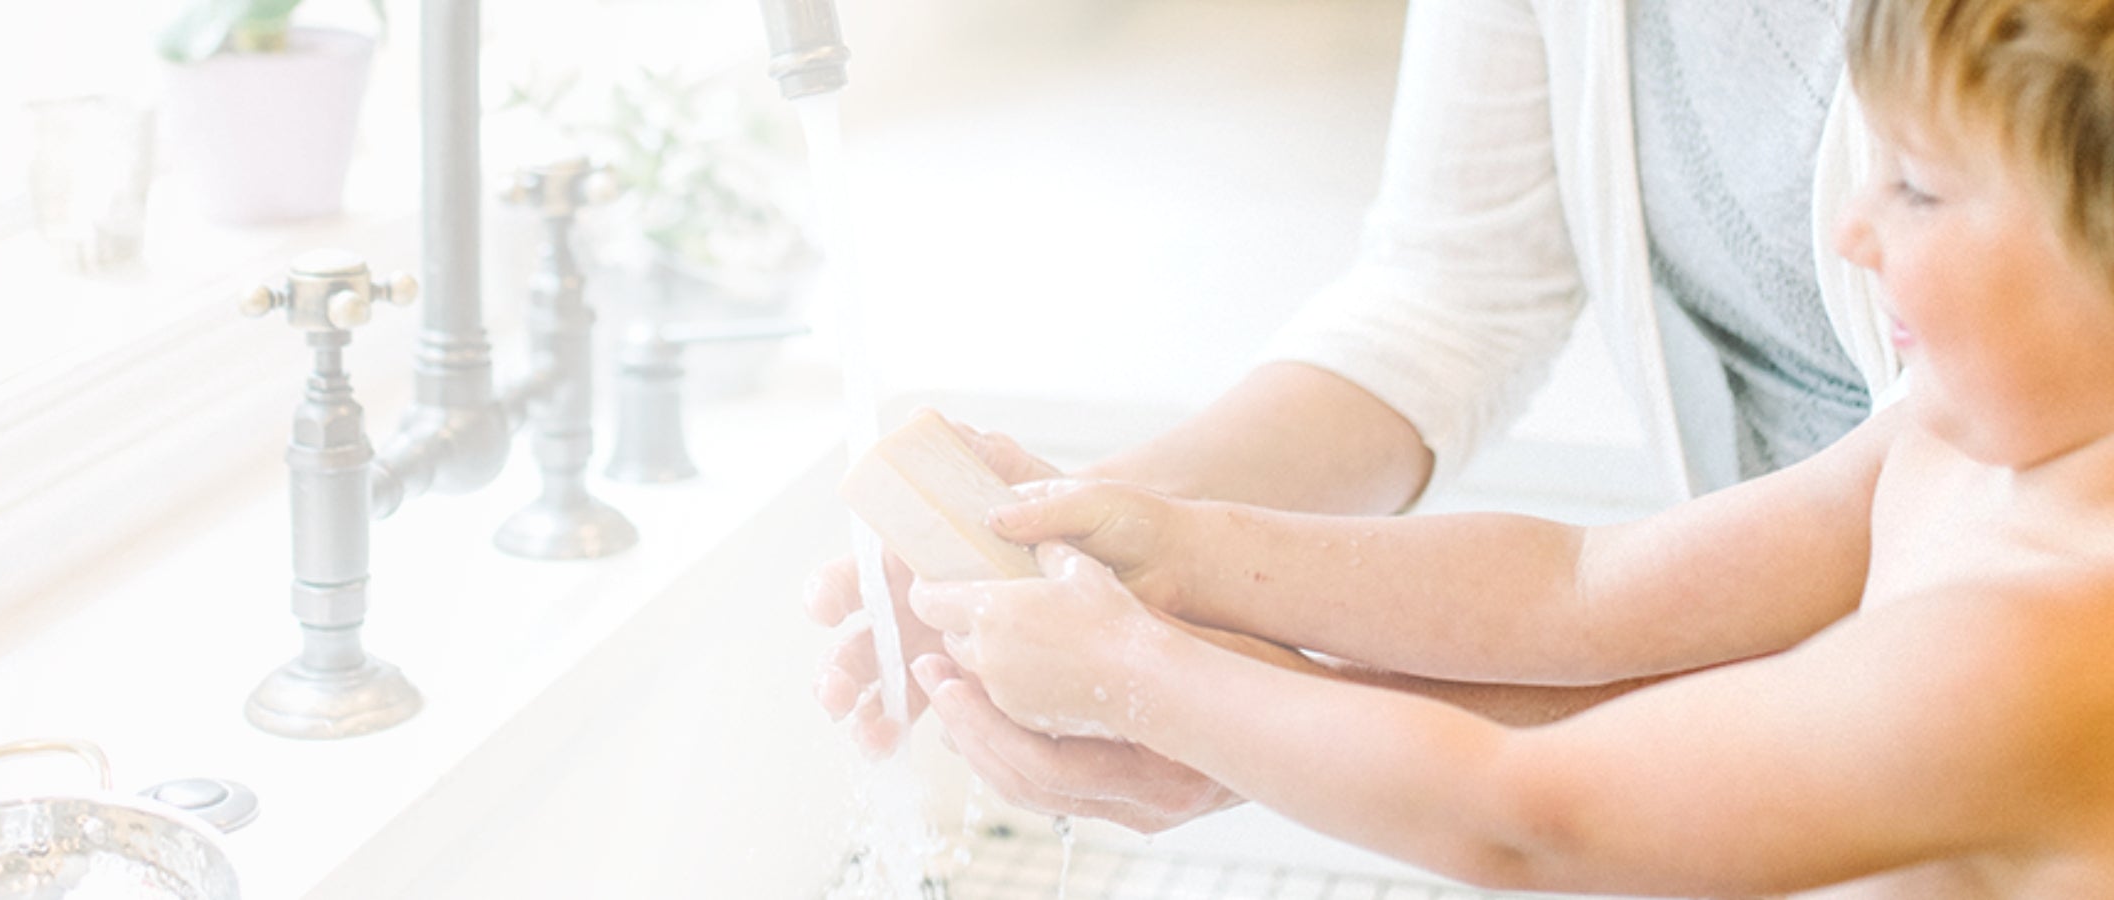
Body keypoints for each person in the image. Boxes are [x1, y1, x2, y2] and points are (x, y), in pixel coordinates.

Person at [904, 0, 2114, 894]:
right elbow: (1579, 590)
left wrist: (1147, 677)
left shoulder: (2043, 641)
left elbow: (1530, 820)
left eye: (1918, 187)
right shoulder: (1934, 445)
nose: (1849, 227)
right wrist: (1179, 548)